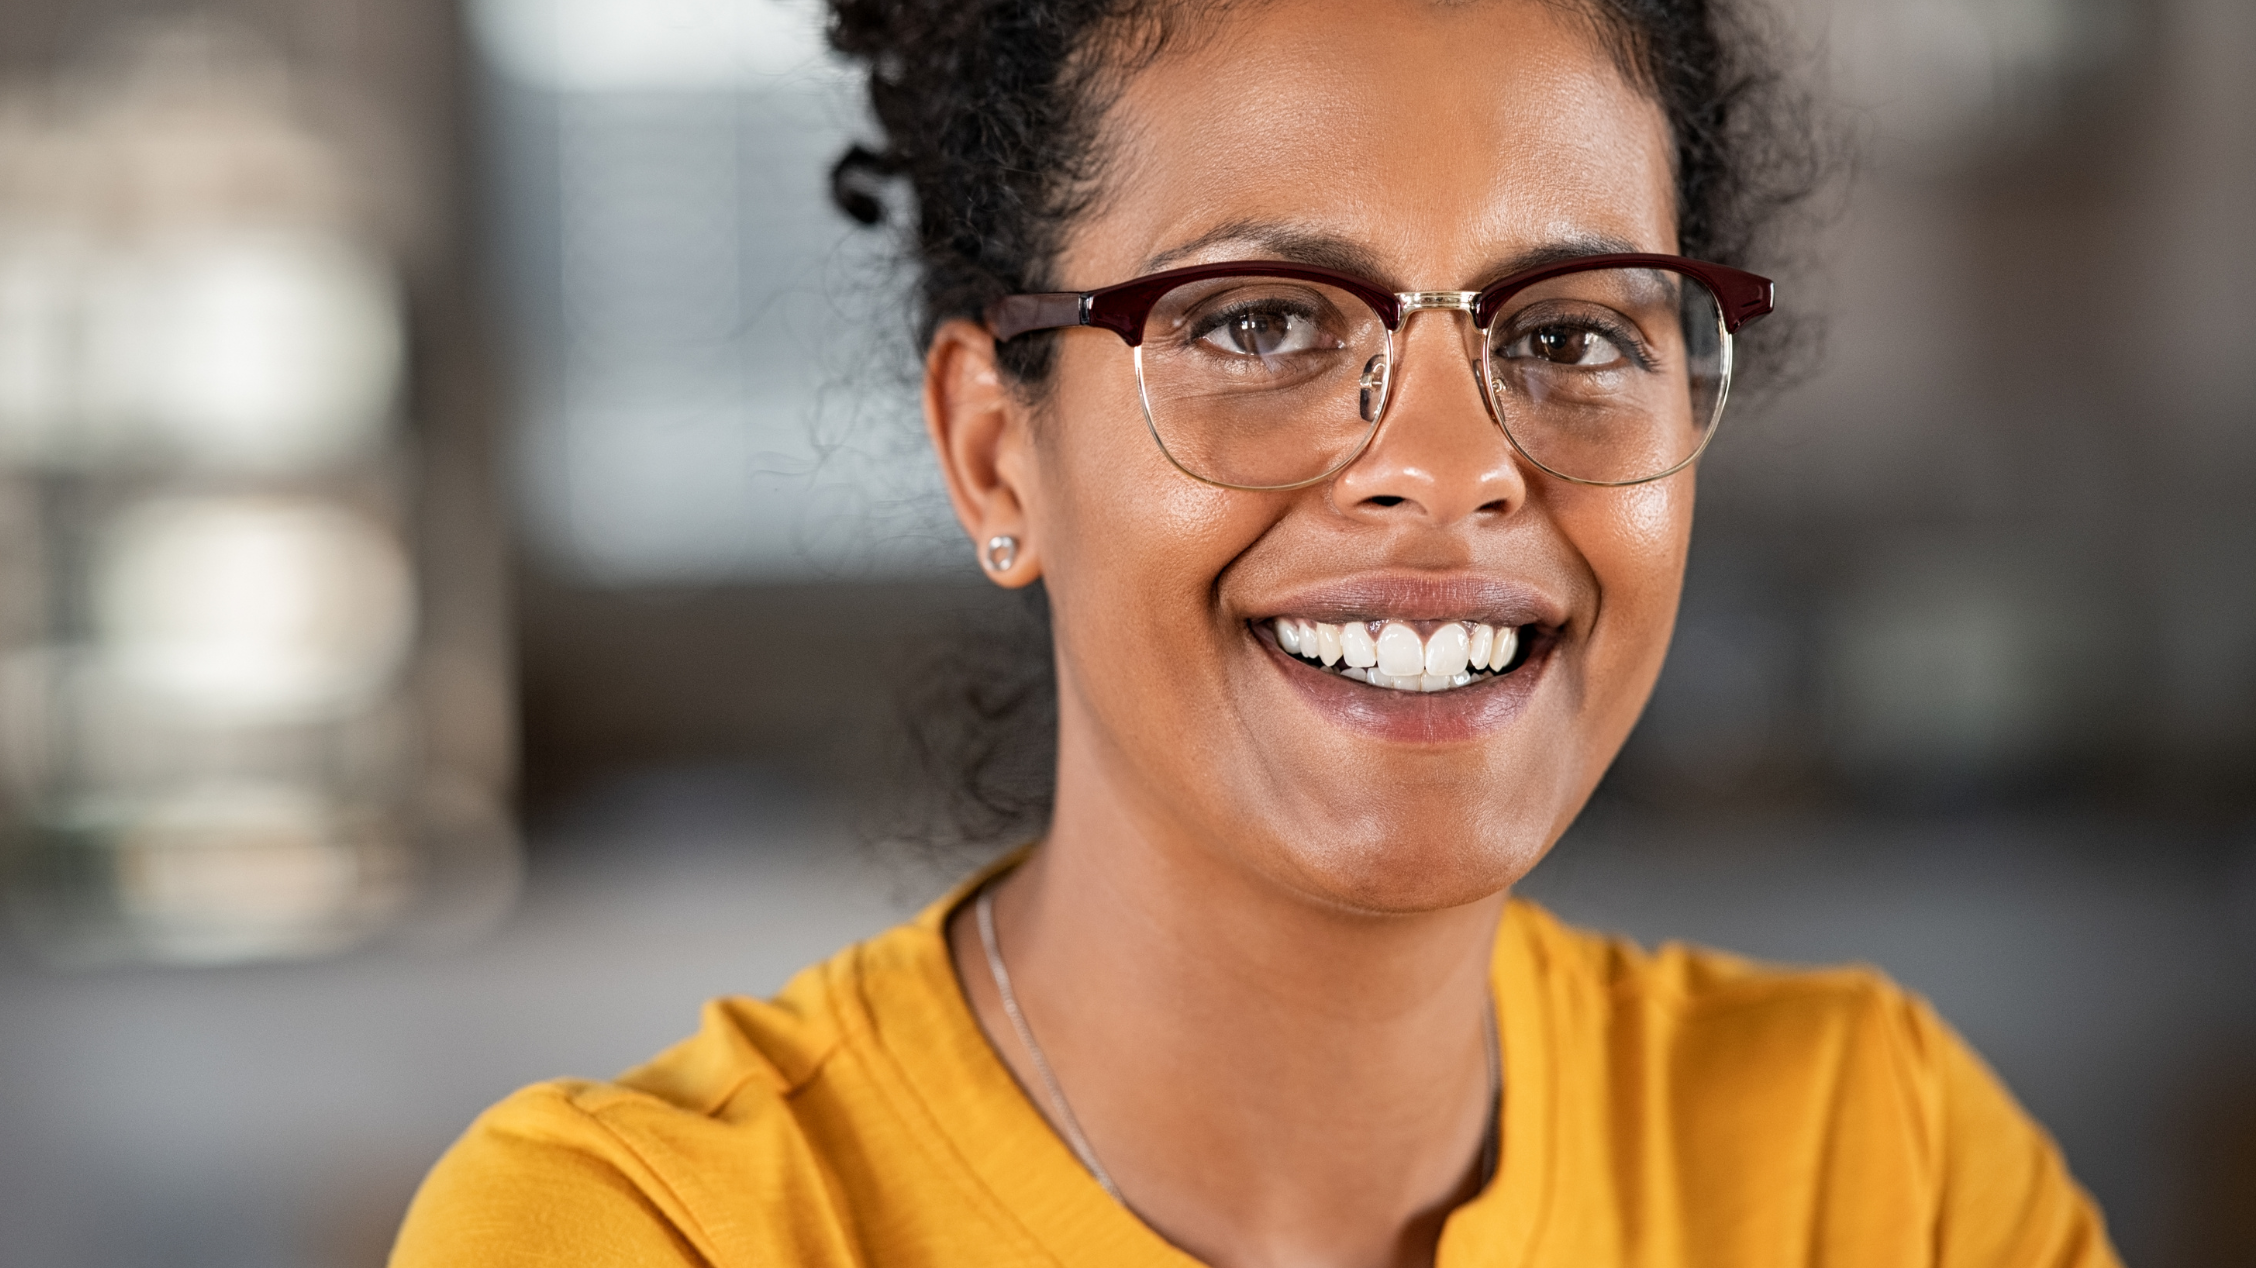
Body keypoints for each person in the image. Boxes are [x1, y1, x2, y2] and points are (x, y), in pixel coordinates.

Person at [390, 1, 2121, 1264]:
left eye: (1575, 333)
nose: (1449, 473)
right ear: (998, 450)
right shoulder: (646, 1232)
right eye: (1263, 319)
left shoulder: (1871, 1171)